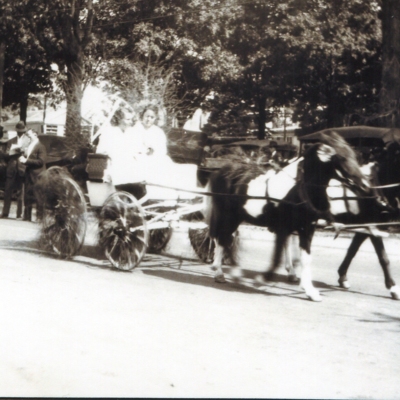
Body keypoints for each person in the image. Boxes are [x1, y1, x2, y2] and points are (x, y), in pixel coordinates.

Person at [0, 121, 30, 219]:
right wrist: (13, 152)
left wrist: (23, 152)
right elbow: (7, 154)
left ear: (24, 131)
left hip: (22, 167)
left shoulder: (28, 140)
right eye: (18, 131)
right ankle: (5, 212)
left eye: (21, 131)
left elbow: (29, 154)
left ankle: (19, 213)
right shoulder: (11, 141)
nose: (19, 133)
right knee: (8, 190)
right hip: (12, 167)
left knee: (21, 191)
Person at [18, 129, 47, 221]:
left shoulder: (41, 147)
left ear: (35, 135)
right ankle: (27, 216)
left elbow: (41, 161)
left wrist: (26, 161)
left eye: (29, 135)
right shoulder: (30, 146)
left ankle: (39, 217)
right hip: (29, 174)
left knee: (38, 196)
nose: (28, 137)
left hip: (38, 175)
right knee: (27, 195)